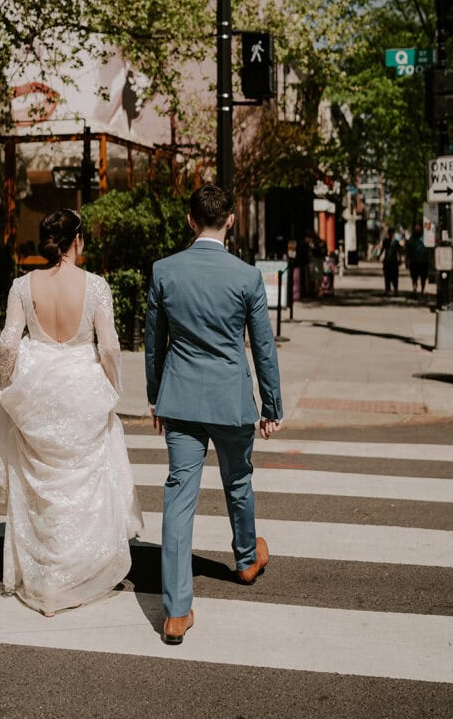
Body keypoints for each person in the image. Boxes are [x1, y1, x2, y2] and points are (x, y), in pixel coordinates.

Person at [0, 208, 143, 617]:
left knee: (40, 486)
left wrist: (6, 388)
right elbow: (108, 346)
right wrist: (112, 384)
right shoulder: (95, 286)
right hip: (79, 386)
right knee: (82, 481)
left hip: (38, 389)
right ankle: (81, 570)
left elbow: (7, 344)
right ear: (76, 240)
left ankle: (44, 575)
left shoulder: (22, 285)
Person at [145, 185, 283, 646]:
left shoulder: (165, 271)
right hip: (229, 399)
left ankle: (177, 611)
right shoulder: (247, 277)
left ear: (189, 220)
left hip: (180, 399)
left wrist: (154, 397)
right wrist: (272, 407)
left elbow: (154, 343)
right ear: (231, 220)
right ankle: (246, 560)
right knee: (238, 482)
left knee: (178, 497)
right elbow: (263, 347)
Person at [405, 223, 430, 294]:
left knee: (423, 277)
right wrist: (407, 260)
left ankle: (422, 290)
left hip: (424, 261)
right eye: (416, 229)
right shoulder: (411, 239)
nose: (417, 230)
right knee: (414, 277)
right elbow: (408, 250)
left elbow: (429, 250)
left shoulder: (425, 238)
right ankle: (415, 289)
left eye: (418, 228)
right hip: (414, 261)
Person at [379, 226, 400, 294]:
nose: (391, 234)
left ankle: (395, 290)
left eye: (392, 232)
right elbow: (383, 249)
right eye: (390, 232)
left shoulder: (396, 242)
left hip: (394, 261)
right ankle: (387, 289)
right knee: (387, 276)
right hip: (387, 261)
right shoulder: (385, 241)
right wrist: (379, 255)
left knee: (395, 276)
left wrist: (400, 259)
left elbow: (399, 251)